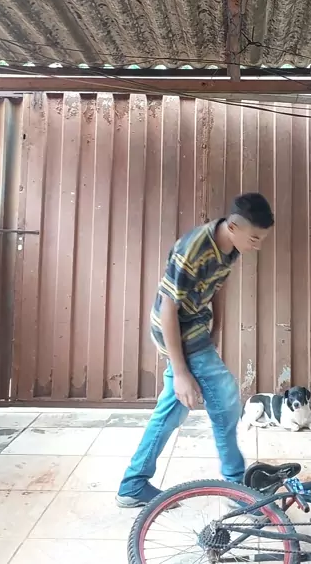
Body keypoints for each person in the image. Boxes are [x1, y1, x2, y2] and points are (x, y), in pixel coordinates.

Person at [116, 192, 275, 507]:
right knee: (225, 399)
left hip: (195, 324)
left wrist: (216, 329)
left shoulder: (231, 246)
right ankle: (237, 487)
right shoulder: (193, 250)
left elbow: (218, 286)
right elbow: (168, 308)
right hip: (174, 327)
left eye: (262, 239)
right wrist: (180, 372)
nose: (258, 246)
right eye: (254, 239)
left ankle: (133, 485)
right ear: (233, 227)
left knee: (173, 408)